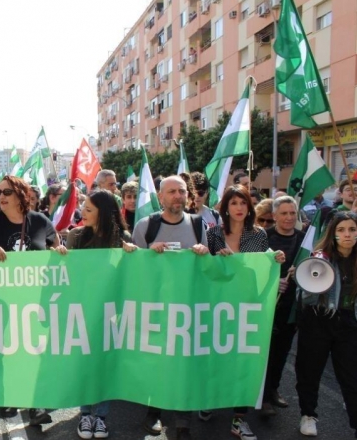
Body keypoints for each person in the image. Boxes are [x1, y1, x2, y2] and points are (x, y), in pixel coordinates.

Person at [200, 186, 285, 440]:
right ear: (226, 207)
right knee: (215, 354)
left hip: (247, 307)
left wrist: (274, 258)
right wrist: (214, 258)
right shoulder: (213, 234)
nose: (239, 207)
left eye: (243, 203)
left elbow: (261, 268)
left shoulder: (258, 235)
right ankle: (210, 399)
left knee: (243, 361)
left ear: (249, 208)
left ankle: (239, 419)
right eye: (234, 203)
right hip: (217, 307)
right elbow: (205, 270)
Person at [52, 190, 137, 439]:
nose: (83, 213)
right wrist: (61, 257)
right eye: (84, 208)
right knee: (86, 363)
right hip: (84, 310)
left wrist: (133, 255)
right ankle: (85, 414)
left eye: (89, 209)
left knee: (105, 364)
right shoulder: (76, 236)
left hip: (112, 313)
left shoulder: (123, 238)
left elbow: (131, 275)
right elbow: (69, 274)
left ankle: (100, 416)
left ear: (104, 212)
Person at [132, 176, 210, 440]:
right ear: (161, 197)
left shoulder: (199, 226)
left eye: (181, 191)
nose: (177, 196)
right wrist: (147, 253)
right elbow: (131, 268)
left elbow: (208, 270)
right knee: (156, 362)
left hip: (188, 309)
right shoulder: (146, 226)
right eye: (172, 192)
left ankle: (182, 419)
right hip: (154, 308)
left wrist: (204, 253)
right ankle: (153, 412)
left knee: (184, 363)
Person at [0, 175, 56, 428]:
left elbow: (55, 248)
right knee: (8, 350)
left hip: (35, 300)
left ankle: (35, 405)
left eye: (7, 192)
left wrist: (60, 251)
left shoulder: (40, 221)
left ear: (21, 194)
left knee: (33, 351)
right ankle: (9, 393)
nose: (1, 196)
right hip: (2, 300)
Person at [296, 211, 357, 438]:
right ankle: (308, 414)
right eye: (341, 230)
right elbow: (305, 294)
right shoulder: (321, 257)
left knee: (351, 376)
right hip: (318, 320)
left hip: (348, 322)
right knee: (310, 370)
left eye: (352, 229)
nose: (347, 234)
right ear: (333, 234)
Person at [262, 196, 304, 418]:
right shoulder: (262, 237)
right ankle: (263, 396)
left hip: (292, 307)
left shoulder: (305, 240)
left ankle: (273, 389)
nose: (289, 218)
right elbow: (252, 270)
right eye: (284, 213)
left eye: (292, 213)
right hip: (266, 306)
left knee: (282, 352)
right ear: (274, 215)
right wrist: (273, 282)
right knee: (265, 353)